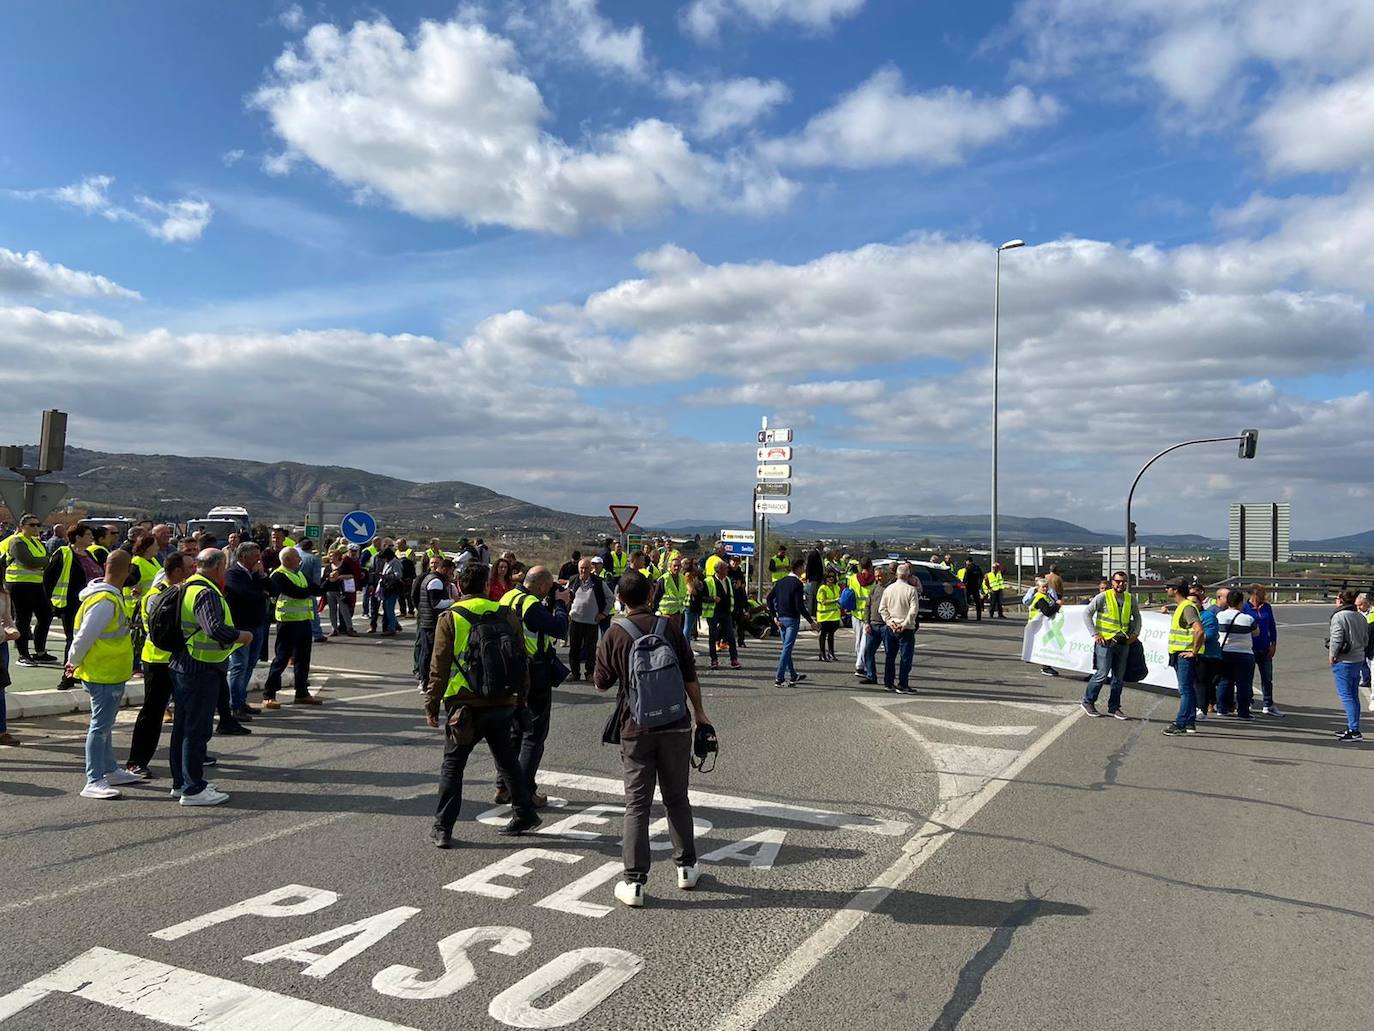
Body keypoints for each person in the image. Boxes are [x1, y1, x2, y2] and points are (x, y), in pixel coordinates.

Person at [594, 570, 710, 907]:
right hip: (675, 723)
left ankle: (634, 883)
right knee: (677, 799)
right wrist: (699, 713)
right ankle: (686, 867)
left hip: (636, 728)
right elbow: (689, 673)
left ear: (619, 599)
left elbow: (601, 684)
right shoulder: (669, 627)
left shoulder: (615, 633)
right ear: (651, 595)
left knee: (637, 804)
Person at [424, 563, 540, 847]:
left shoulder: (451, 617)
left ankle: (443, 828)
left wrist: (432, 704)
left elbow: (438, 666)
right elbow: (521, 660)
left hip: (465, 705)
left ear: (460, 586)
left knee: (453, 765)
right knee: (507, 760)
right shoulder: (507, 614)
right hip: (502, 701)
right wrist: (521, 699)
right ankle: (524, 812)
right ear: (487, 585)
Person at [171, 549, 254, 806]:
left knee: (183, 728)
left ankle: (182, 782)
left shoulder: (187, 586)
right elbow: (214, 628)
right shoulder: (206, 592)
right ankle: (194, 788)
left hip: (183, 663)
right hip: (201, 667)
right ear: (219, 567)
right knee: (196, 730)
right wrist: (242, 636)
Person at [63, 549, 140, 799]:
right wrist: (72, 662)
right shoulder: (105, 601)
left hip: (109, 671)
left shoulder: (107, 597)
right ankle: (94, 779)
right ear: (126, 571)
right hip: (102, 673)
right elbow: (85, 636)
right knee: (100, 726)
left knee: (105, 726)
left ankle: (110, 770)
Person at [496, 566, 570, 808]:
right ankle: (525, 790)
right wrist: (560, 603)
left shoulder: (507, 597)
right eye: (547, 588)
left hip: (509, 669)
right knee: (534, 734)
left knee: (514, 731)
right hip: (534, 672)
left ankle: (504, 785)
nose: (548, 592)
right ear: (540, 586)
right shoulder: (531, 605)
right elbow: (559, 628)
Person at [125, 553, 192, 779]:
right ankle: (136, 762)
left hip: (179, 660)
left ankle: (188, 756)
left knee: (185, 711)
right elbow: (162, 630)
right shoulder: (157, 596)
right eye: (190, 567)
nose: (194, 571)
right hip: (158, 661)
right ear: (177, 572)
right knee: (152, 714)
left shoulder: (182, 591)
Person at [263, 547, 322, 709]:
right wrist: (309, 590)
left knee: (303, 659)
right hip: (288, 622)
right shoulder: (279, 575)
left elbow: (316, 589)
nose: (299, 559)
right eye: (296, 557)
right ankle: (269, 694)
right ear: (287, 559)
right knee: (282, 658)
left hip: (303, 621)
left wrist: (331, 581)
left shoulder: (299, 574)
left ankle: (302, 693)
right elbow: (299, 593)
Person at [45, 521, 100, 689]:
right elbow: (48, 578)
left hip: (91, 604)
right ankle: (67, 676)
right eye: (89, 535)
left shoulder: (90, 555)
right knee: (73, 640)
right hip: (71, 605)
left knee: (88, 640)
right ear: (78, 537)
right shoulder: (63, 553)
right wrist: (50, 603)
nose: (92, 538)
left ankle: (81, 673)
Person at [1080, 571, 1139, 719]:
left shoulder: (1130, 598)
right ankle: (1088, 702)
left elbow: (1137, 617)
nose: (1120, 584)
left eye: (1123, 582)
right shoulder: (1103, 597)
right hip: (1106, 642)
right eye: (1118, 581)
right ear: (1112, 582)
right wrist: (1095, 634)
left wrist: (1135, 634)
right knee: (1102, 674)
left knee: (1118, 677)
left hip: (1123, 642)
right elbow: (1087, 613)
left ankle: (1114, 707)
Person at [224, 542, 270, 721]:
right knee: (239, 666)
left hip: (257, 625)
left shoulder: (256, 574)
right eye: (255, 555)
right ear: (243, 557)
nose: (258, 559)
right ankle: (234, 705)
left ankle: (241, 700)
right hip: (241, 626)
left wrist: (262, 576)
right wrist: (261, 594)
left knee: (250, 665)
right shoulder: (233, 573)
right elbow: (245, 594)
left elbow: (273, 589)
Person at [5, 513, 57, 667]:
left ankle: (40, 652)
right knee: (23, 619)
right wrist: (45, 561)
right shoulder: (16, 541)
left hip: (35, 584)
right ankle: (23, 654)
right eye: (32, 525)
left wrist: (44, 561)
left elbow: (46, 559)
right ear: (22, 527)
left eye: (38, 525)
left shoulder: (36, 542)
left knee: (46, 615)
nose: (36, 528)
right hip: (19, 584)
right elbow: (29, 561)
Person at [1163, 579, 1203, 737]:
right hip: (1180, 654)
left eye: (1168, 588)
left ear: (1176, 590)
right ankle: (1189, 722)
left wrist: (1193, 651)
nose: (1167, 590)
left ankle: (1180, 723)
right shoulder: (1182, 607)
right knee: (1189, 689)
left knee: (1185, 690)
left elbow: (1199, 630)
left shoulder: (1187, 607)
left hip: (1184, 655)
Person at [1328, 589, 1369, 742]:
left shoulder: (1339, 616)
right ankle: (1353, 726)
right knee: (1353, 695)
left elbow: (1336, 638)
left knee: (1346, 696)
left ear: (1341, 601)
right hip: (1358, 659)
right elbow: (1365, 640)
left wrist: (1332, 655)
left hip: (1344, 660)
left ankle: (1354, 730)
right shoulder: (1360, 617)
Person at [767, 559, 816, 687]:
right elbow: (799, 606)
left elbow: (769, 598)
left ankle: (793, 675)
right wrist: (811, 621)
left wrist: (773, 616)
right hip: (792, 620)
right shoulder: (797, 584)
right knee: (787, 649)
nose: (803, 571)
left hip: (781, 618)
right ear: (798, 568)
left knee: (786, 648)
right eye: (802, 568)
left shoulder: (780, 582)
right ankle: (779, 677)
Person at [1214, 588, 1258, 719]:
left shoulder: (1219, 616)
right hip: (1244, 654)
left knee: (1224, 681)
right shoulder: (1247, 619)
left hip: (1224, 652)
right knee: (1243, 684)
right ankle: (1243, 712)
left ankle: (1221, 708)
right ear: (1241, 603)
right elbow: (1256, 633)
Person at [877, 563, 921, 694]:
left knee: (890, 656)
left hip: (891, 627)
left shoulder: (888, 589)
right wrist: (905, 624)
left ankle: (888, 683)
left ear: (896, 574)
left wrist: (890, 622)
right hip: (905, 628)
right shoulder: (911, 590)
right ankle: (902, 684)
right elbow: (913, 610)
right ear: (907, 575)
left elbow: (882, 609)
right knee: (905, 658)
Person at [414, 557, 454, 688]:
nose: (451, 575)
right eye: (450, 572)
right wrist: (454, 601)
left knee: (427, 651)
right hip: (432, 622)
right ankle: (425, 680)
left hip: (427, 620)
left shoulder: (430, 578)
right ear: (444, 569)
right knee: (429, 652)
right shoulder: (436, 581)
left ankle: (424, 679)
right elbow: (436, 603)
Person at [567, 557, 609, 681]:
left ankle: (589, 673)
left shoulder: (599, 582)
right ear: (578, 568)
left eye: (586, 568)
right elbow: (566, 596)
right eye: (581, 568)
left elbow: (610, 598)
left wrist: (603, 614)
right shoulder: (573, 580)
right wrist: (567, 613)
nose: (584, 570)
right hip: (575, 621)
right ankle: (574, 673)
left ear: (590, 568)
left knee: (591, 649)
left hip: (592, 621)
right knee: (574, 649)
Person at [1243, 585, 1283, 716]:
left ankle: (1268, 704)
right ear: (1255, 593)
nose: (1265, 594)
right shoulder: (1244, 608)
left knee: (1267, 677)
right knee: (1247, 677)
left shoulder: (1267, 607)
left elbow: (1272, 626)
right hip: (1250, 647)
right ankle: (1248, 702)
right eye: (1262, 592)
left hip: (1265, 647)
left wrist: (1273, 644)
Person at [860, 565, 893, 684]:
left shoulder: (891, 589)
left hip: (886, 626)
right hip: (873, 625)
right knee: (868, 651)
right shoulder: (874, 589)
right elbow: (867, 606)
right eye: (876, 576)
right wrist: (866, 622)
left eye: (880, 576)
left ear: (886, 575)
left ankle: (888, 680)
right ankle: (871, 675)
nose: (878, 578)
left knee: (889, 653)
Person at [706, 560, 739, 671]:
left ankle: (734, 659)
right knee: (713, 636)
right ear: (718, 570)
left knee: (730, 636)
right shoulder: (709, 581)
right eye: (725, 568)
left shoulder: (728, 580)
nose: (727, 570)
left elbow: (731, 595)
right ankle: (714, 660)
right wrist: (712, 599)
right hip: (713, 612)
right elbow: (702, 597)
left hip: (726, 612)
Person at [1025, 576, 1061, 678]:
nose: (1045, 589)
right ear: (1038, 588)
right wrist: (1057, 606)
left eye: (1046, 587)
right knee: (1046, 645)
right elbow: (1047, 612)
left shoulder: (1047, 595)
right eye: (1043, 587)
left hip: (1045, 625)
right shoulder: (1040, 597)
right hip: (1038, 625)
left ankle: (1045, 664)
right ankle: (1045, 667)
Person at [296, 539, 328, 644]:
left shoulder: (294, 554)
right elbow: (316, 579)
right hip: (308, 589)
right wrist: (316, 590)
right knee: (312, 613)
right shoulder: (313, 559)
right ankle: (317, 634)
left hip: (293, 587)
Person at [848, 559, 875, 678]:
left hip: (856, 613)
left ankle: (860, 664)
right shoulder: (874, 580)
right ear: (870, 566)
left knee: (858, 641)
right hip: (869, 614)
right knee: (866, 641)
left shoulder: (853, 578)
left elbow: (850, 593)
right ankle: (860, 665)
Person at [0, 577, 17, 747]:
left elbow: (7, 620)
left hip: (1, 646)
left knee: (0, 690)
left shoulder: (4, 593)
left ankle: (2, 731)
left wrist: (13, 631)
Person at [653, 553, 689, 632]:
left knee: (676, 635)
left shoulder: (682, 578)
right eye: (674, 566)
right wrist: (655, 612)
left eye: (679, 566)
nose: (676, 568)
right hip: (666, 614)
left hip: (678, 613)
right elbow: (656, 597)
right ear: (670, 567)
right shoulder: (664, 579)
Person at [816, 568, 842, 660]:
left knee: (831, 635)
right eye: (829, 577)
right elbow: (823, 601)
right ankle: (822, 653)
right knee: (823, 635)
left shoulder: (836, 587)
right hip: (824, 616)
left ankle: (831, 653)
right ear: (825, 578)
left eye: (833, 577)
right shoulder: (822, 588)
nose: (831, 578)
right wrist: (835, 600)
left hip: (834, 616)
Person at [804, 544, 825, 618]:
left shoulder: (819, 554)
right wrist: (808, 577)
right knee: (813, 595)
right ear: (819, 547)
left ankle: (815, 611)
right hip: (814, 578)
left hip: (819, 578)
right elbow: (809, 566)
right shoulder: (813, 554)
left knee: (817, 595)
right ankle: (811, 612)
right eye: (822, 546)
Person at [1359, 593, 1374, 691]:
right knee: (1362, 662)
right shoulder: (1357, 612)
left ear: (1367, 603)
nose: (1359, 607)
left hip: (1370, 643)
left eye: (1361, 604)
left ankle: (1367, 679)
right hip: (1362, 642)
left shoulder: (1372, 613)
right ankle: (1365, 678)